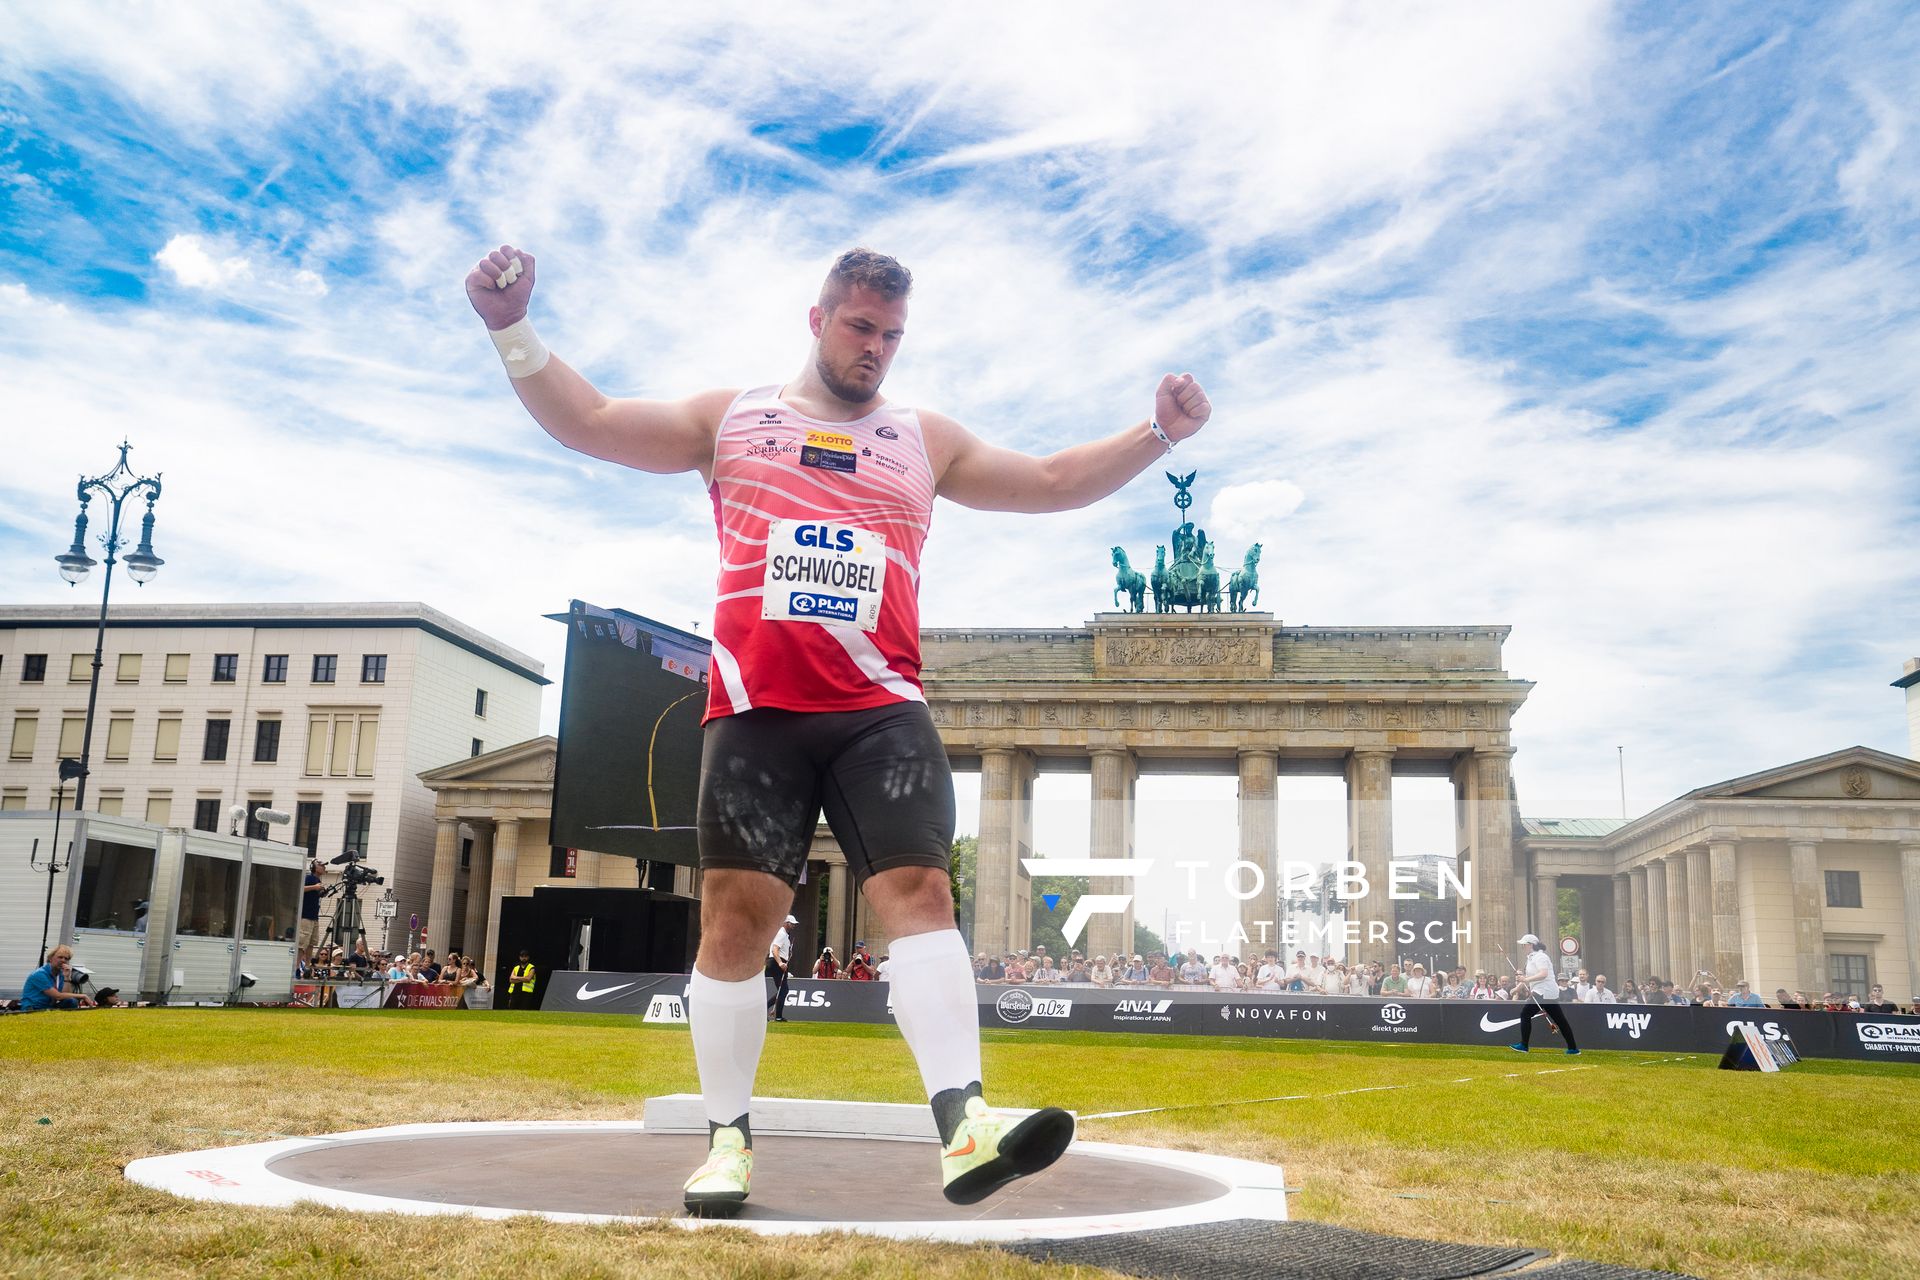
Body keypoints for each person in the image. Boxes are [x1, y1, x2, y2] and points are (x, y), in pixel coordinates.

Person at [470, 240, 1208, 1218]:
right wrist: (510, 327)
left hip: (880, 711)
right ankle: (726, 1139)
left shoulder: (923, 439)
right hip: (759, 714)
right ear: (817, 320)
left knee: (922, 890)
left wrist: (1154, 434)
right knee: (735, 925)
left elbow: (1051, 479)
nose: (876, 348)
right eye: (861, 326)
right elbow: (593, 420)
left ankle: (966, 1122)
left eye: (893, 334)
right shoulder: (732, 420)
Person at [1508, 935, 1580, 1055]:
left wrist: (1525, 980)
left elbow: (1543, 974)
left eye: (1524, 945)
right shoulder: (1531, 958)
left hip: (1544, 991)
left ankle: (1524, 1045)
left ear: (1530, 945)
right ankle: (1573, 1048)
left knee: (1525, 1014)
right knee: (1560, 1020)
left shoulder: (1541, 957)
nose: (1522, 947)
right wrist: (1517, 988)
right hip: (1545, 992)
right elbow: (1529, 978)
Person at [21, 946, 95, 1011]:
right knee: (71, 1001)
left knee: (71, 1001)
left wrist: (67, 977)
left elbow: (66, 995)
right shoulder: (40, 974)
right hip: (34, 1008)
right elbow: (58, 996)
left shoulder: (61, 974)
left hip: (48, 1007)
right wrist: (83, 995)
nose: (63, 960)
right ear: (50, 958)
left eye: (66, 958)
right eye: (60, 957)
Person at [767, 913, 795, 1022]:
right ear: (786, 923)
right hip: (777, 962)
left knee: (782, 990)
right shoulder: (781, 934)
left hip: (778, 961)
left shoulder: (784, 935)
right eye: (791, 924)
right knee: (783, 990)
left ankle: (777, 1015)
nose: (793, 926)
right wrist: (780, 963)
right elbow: (775, 950)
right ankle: (776, 1015)